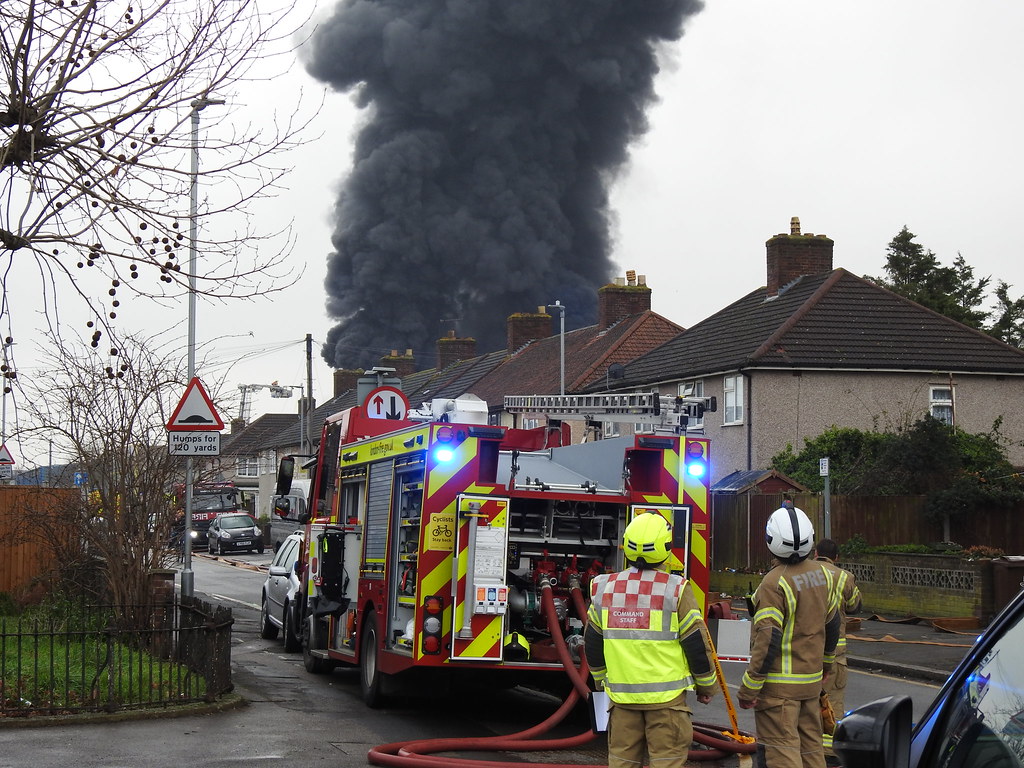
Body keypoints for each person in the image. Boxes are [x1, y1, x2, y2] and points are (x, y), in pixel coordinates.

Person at [584, 512, 718, 768]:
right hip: (667, 703)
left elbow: (592, 641)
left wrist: (601, 680)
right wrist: (706, 686)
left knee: (622, 763)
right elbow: (696, 643)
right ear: (666, 548)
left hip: (622, 702)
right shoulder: (676, 589)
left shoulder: (604, 588)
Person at [738, 503, 840, 768]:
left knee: (783, 755)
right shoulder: (823, 575)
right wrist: (827, 664)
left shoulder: (773, 583)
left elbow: (768, 636)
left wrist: (750, 686)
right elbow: (832, 624)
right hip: (811, 684)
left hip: (780, 691)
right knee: (811, 752)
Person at [814, 538, 862, 763]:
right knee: (832, 703)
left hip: (807, 652)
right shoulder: (844, 577)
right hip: (835, 654)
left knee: (805, 703)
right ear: (837, 557)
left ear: (815, 553)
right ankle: (830, 754)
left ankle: (807, 749)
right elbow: (855, 606)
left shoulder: (804, 575)